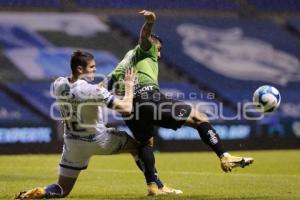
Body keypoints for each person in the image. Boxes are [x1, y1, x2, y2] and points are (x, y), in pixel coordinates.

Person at [108, 10, 254, 195]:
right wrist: (150, 22)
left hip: (129, 108)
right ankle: (225, 156)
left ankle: (154, 186)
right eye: (159, 49)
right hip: (149, 98)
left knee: (145, 143)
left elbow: (105, 86)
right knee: (200, 118)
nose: (159, 55)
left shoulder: (122, 64)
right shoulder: (146, 50)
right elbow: (144, 37)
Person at [13, 50, 180, 199]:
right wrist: (129, 87)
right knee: (138, 146)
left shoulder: (59, 84)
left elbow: (85, 93)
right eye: (92, 67)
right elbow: (126, 108)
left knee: (62, 189)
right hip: (98, 140)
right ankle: (157, 185)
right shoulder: (92, 90)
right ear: (80, 69)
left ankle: (42, 192)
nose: (95, 70)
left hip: (73, 144)